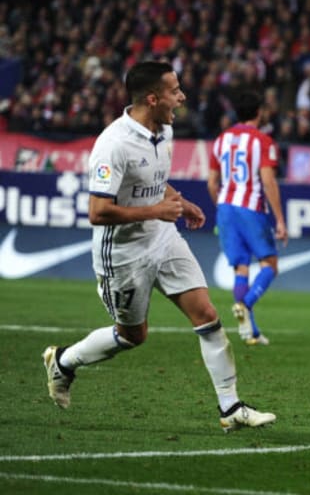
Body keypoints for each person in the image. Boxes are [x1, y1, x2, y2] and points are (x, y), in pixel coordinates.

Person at [42, 61, 275, 431]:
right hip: (122, 254)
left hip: (162, 238)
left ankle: (232, 409)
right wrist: (157, 210)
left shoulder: (163, 132)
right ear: (153, 99)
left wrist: (180, 203)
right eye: (174, 90)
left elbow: (152, 180)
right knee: (132, 335)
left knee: (207, 316)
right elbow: (98, 211)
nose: (182, 97)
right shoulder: (113, 144)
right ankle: (64, 362)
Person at [208, 90, 288, 346]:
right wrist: (280, 220)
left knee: (241, 268)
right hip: (250, 208)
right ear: (259, 112)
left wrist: (221, 209)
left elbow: (211, 182)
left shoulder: (221, 140)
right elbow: (268, 181)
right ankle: (246, 304)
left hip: (225, 208)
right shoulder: (262, 141)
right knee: (270, 264)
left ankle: (249, 332)